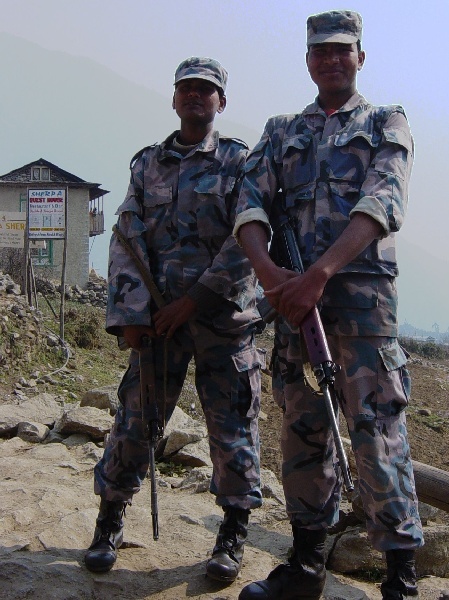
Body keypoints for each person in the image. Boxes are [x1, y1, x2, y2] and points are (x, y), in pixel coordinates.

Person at [233, 10, 423, 600]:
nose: (332, 59)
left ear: (360, 57)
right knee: (303, 433)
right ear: (308, 60)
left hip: (363, 314)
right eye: (321, 51)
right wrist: (270, 275)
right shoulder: (283, 129)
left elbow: (383, 200)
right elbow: (248, 200)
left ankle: (400, 579)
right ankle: (307, 567)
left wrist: (319, 274)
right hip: (294, 310)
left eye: (343, 50)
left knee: (377, 435)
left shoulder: (388, 121)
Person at [84, 56, 265, 584]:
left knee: (232, 427)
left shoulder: (240, 163)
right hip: (157, 321)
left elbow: (248, 237)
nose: (194, 97)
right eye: (186, 88)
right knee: (136, 420)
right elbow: (126, 238)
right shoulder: (146, 164)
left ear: (220, 103)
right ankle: (109, 519)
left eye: (205, 90)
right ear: (173, 98)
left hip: (221, 320)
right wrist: (131, 315)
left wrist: (198, 299)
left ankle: (232, 532)